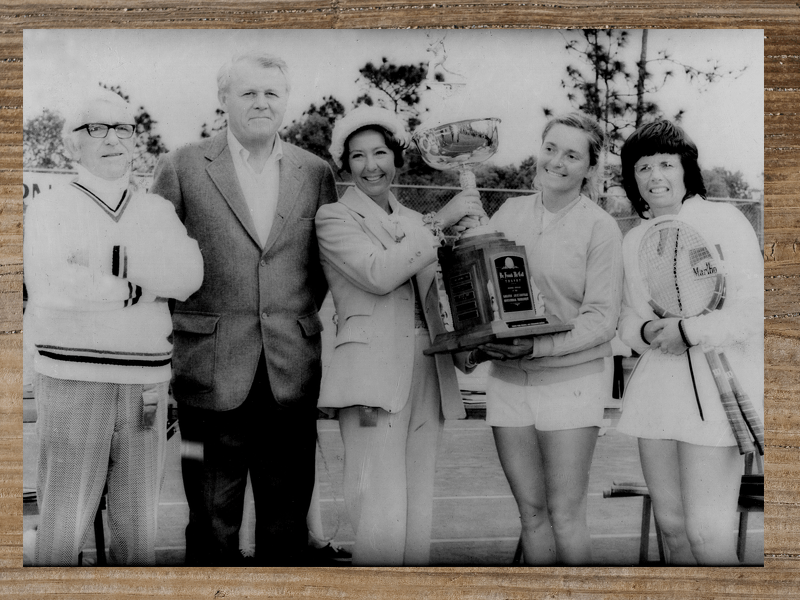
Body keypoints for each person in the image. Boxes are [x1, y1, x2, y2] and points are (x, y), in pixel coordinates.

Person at [151, 50, 338, 566]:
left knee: (287, 521)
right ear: (224, 99)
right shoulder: (181, 165)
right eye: (248, 92)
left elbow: (320, 269)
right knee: (210, 520)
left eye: (271, 93)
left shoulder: (316, 171)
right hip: (205, 377)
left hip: (290, 374)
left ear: (286, 101)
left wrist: (287, 321)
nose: (261, 103)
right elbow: (160, 263)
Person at [24, 89, 204, 566]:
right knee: (64, 523)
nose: (112, 139)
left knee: (138, 529)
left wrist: (100, 274)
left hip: (146, 380)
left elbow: (189, 276)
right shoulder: (51, 206)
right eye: (96, 129)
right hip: (73, 378)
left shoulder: (157, 210)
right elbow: (51, 286)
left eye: (122, 129)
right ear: (71, 145)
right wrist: (138, 287)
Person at [315, 106, 483, 566]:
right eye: (358, 156)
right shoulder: (334, 217)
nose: (371, 165)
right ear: (345, 165)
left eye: (381, 152)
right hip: (371, 375)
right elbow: (377, 273)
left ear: (396, 157)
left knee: (417, 507)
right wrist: (440, 222)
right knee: (378, 510)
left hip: (428, 368)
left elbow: (438, 297)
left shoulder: (412, 218)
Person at [463, 113, 623, 565]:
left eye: (573, 155)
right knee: (531, 516)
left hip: (571, 384)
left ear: (590, 168)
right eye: (551, 148)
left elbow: (601, 319)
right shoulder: (510, 213)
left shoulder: (600, 228)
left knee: (565, 515)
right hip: (508, 382)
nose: (557, 161)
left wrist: (539, 346)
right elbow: (483, 294)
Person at [616, 120, 763, 565]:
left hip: (718, 394)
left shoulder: (723, 220)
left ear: (686, 170)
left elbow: (756, 309)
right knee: (674, 531)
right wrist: (644, 333)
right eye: (643, 167)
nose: (655, 176)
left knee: (707, 534)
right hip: (657, 393)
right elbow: (627, 319)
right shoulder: (635, 238)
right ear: (633, 178)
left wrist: (690, 331)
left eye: (666, 163)